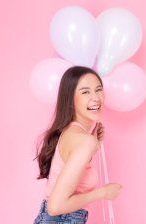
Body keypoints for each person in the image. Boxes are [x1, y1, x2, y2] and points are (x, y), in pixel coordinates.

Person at [34, 66, 122, 223]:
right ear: (71, 99)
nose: (95, 97)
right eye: (85, 92)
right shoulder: (84, 141)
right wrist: (103, 193)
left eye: (98, 89)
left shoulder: (72, 132)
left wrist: (91, 140)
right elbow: (55, 206)